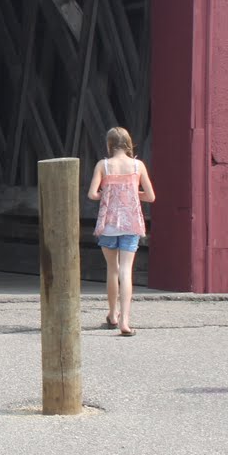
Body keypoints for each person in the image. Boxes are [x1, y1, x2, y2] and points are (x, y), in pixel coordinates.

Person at [86, 127, 155, 337]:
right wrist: (131, 191)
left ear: (109, 144)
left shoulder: (103, 165)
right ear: (128, 143)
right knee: (126, 271)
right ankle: (125, 321)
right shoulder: (137, 166)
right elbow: (150, 197)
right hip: (131, 224)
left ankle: (112, 314)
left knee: (112, 269)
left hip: (109, 224)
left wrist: (110, 192)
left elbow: (92, 194)